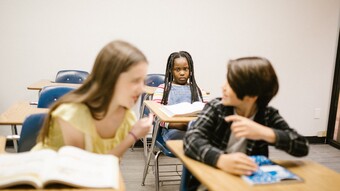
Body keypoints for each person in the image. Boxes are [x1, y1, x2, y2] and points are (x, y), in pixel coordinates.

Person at [183, 56, 309, 190]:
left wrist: (264, 132)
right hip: (212, 181)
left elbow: (302, 146)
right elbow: (191, 139)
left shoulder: (267, 115)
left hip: (247, 184)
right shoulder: (217, 108)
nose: (223, 87)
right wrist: (221, 160)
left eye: (230, 84)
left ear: (251, 96)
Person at [32, 40, 153, 158]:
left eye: (143, 81)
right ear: (110, 79)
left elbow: (109, 167)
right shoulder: (72, 115)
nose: (142, 89)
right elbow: (82, 171)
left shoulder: (127, 119)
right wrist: (132, 136)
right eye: (135, 80)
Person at [152, 51, 208, 141]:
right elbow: (156, 115)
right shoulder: (163, 89)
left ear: (190, 70)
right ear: (171, 70)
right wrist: (177, 125)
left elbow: (208, 112)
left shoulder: (199, 90)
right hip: (172, 130)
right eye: (177, 69)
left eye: (185, 69)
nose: (182, 73)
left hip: (195, 129)